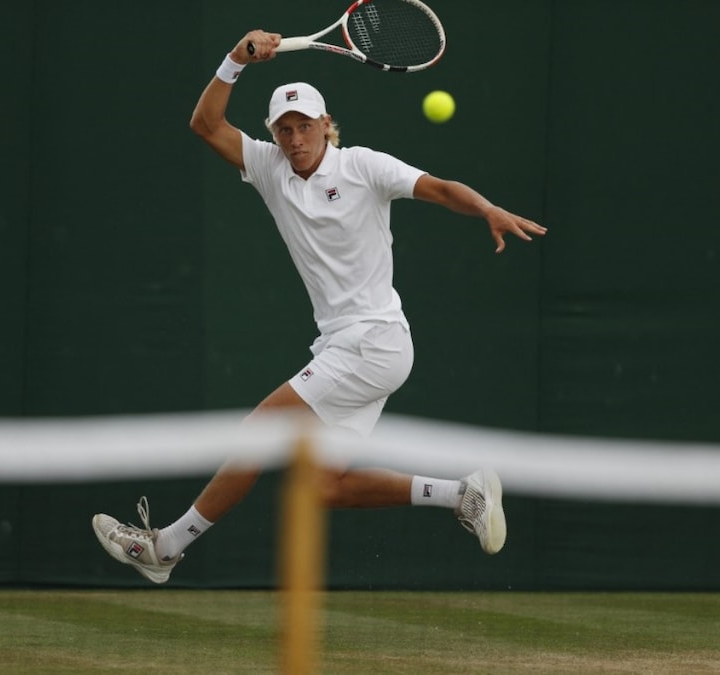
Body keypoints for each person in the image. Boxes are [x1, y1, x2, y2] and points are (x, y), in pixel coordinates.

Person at [91, 30, 546, 584]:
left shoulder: (364, 166)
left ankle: (165, 547)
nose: (294, 136)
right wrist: (235, 59)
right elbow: (205, 124)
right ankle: (462, 494)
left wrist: (488, 209)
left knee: (258, 432)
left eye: (304, 124)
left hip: (372, 341)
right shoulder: (267, 167)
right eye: (284, 128)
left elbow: (441, 187)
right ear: (274, 136)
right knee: (320, 487)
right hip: (349, 346)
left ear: (325, 125)